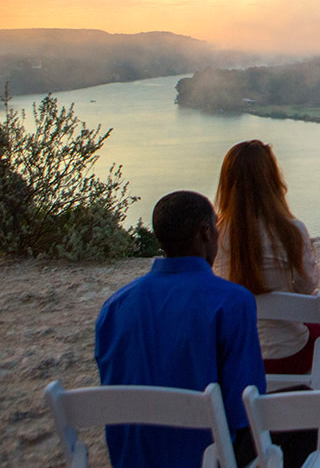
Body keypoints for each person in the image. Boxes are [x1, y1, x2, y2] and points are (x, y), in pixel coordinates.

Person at [96, 191, 307, 468]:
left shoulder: (114, 307)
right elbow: (246, 408)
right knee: (301, 410)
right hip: (206, 456)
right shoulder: (230, 301)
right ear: (206, 233)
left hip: (135, 457)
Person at [213, 139, 320, 376]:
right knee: (318, 300)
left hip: (241, 357)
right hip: (290, 356)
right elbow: (307, 286)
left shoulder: (216, 233)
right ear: (272, 179)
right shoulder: (290, 230)